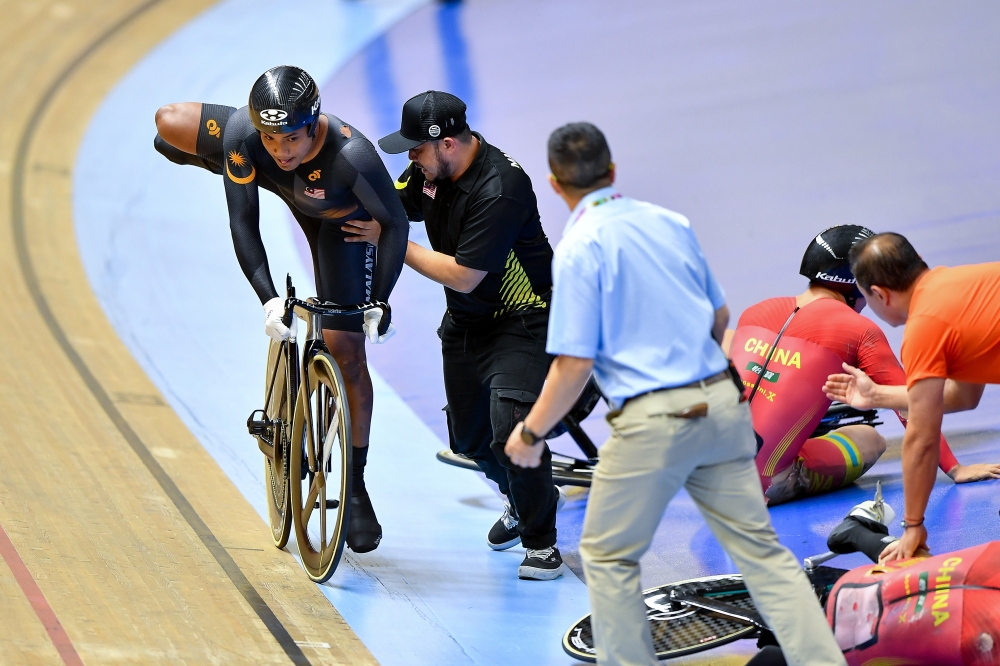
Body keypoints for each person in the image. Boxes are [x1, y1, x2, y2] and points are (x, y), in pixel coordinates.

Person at [506, 122, 845, 666]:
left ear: (553, 184)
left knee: (609, 556)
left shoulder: (577, 248)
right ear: (612, 172)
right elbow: (720, 317)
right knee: (762, 554)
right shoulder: (670, 222)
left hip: (652, 421)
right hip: (722, 406)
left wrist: (530, 434)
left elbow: (574, 363)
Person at [153, 65, 409, 553]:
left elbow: (395, 224)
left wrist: (381, 300)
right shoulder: (245, 137)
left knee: (349, 355)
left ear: (314, 124)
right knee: (168, 126)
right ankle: (219, 162)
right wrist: (269, 298)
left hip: (339, 221)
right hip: (277, 184)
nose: (281, 149)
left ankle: (356, 487)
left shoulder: (353, 156)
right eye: (270, 139)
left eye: (290, 138)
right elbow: (243, 222)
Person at [377, 91, 563, 580]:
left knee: (512, 427)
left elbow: (464, 274)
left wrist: (390, 242)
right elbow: (393, 203)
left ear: (447, 144)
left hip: (523, 318)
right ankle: (526, 499)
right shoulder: (429, 171)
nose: (410, 159)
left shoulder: (501, 187)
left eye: (416, 148)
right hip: (466, 321)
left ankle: (542, 542)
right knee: (471, 440)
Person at [723, 226, 999, 505]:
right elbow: (910, 405)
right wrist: (954, 468)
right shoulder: (858, 329)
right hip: (763, 486)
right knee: (871, 438)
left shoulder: (756, 310)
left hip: (710, 474)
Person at [822, 232, 1000, 562]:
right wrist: (877, 395)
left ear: (878, 294)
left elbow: (921, 438)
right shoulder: (959, 287)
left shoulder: (924, 327)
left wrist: (914, 524)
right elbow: (963, 397)